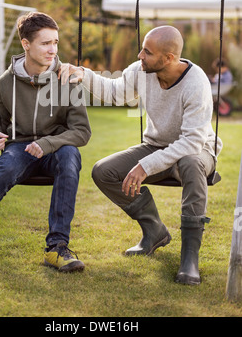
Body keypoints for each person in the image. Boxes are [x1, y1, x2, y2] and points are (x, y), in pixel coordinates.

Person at [59, 25, 222, 285]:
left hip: (196, 150)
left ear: (169, 58)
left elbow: (191, 142)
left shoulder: (196, 83)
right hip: (157, 146)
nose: (139, 55)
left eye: (147, 51)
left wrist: (145, 166)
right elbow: (115, 92)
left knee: (190, 163)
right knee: (104, 171)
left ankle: (189, 257)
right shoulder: (142, 71)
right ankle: (154, 230)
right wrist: (84, 74)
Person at [0, 12, 91, 272]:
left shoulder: (67, 79)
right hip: (19, 147)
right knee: (4, 171)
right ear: (25, 44)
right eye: (46, 43)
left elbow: (81, 131)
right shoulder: (6, 82)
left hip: (56, 148)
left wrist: (47, 144)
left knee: (70, 156)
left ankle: (57, 248)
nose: (53, 50)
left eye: (55, 43)